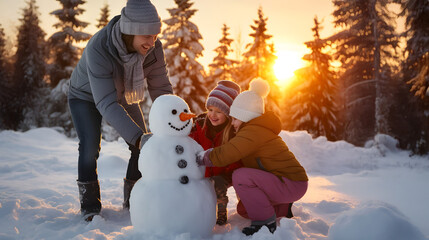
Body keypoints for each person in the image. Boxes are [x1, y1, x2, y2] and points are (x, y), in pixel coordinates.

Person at [68, 0, 173, 221]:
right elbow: (106, 103)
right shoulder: (99, 47)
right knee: (90, 147)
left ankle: (133, 201)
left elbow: (161, 89)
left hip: (124, 94)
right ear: (130, 31)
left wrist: (176, 122)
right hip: (84, 97)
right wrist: (137, 138)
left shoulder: (154, 50)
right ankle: (90, 208)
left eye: (155, 35)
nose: (152, 42)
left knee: (141, 146)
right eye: (146, 36)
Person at [197, 78, 308, 236]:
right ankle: (282, 208)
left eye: (235, 118)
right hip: (284, 182)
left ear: (245, 117)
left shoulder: (253, 132)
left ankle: (265, 223)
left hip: (291, 182)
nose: (233, 123)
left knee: (241, 176)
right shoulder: (255, 129)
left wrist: (204, 157)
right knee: (244, 209)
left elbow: (230, 151)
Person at [189, 80, 242, 225]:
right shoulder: (200, 125)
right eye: (210, 110)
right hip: (204, 171)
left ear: (228, 114)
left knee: (218, 183)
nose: (213, 115)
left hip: (225, 172)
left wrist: (228, 174)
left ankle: (222, 209)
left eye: (219, 111)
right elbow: (189, 141)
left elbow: (235, 156)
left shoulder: (231, 132)